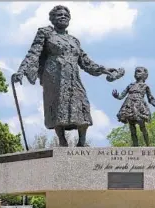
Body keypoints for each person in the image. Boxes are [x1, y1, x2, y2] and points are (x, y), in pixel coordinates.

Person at [12, 5, 124, 147]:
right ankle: (62, 140)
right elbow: (33, 53)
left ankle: (82, 141)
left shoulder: (74, 40)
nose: (63, 17)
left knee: (82, 104)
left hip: (73, 77)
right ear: (52, 19)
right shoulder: (46, 34)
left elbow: (85, 61)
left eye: (66, 15)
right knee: (58, 106)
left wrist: (104, 70)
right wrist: (21, 71)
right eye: (59, 15)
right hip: (54, 77)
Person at [113, 67, 155, 146]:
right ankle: (135, 146)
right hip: (128, 106)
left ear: (145, 75)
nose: (136, 73)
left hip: (139, 107)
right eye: (136, 72)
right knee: (132, 128)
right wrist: (116, 96)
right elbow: (121, 96)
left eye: (139, 72)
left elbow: (150, 99)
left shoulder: (145, 86)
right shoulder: (130, 85)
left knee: (142, 127)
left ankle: (148, 145)